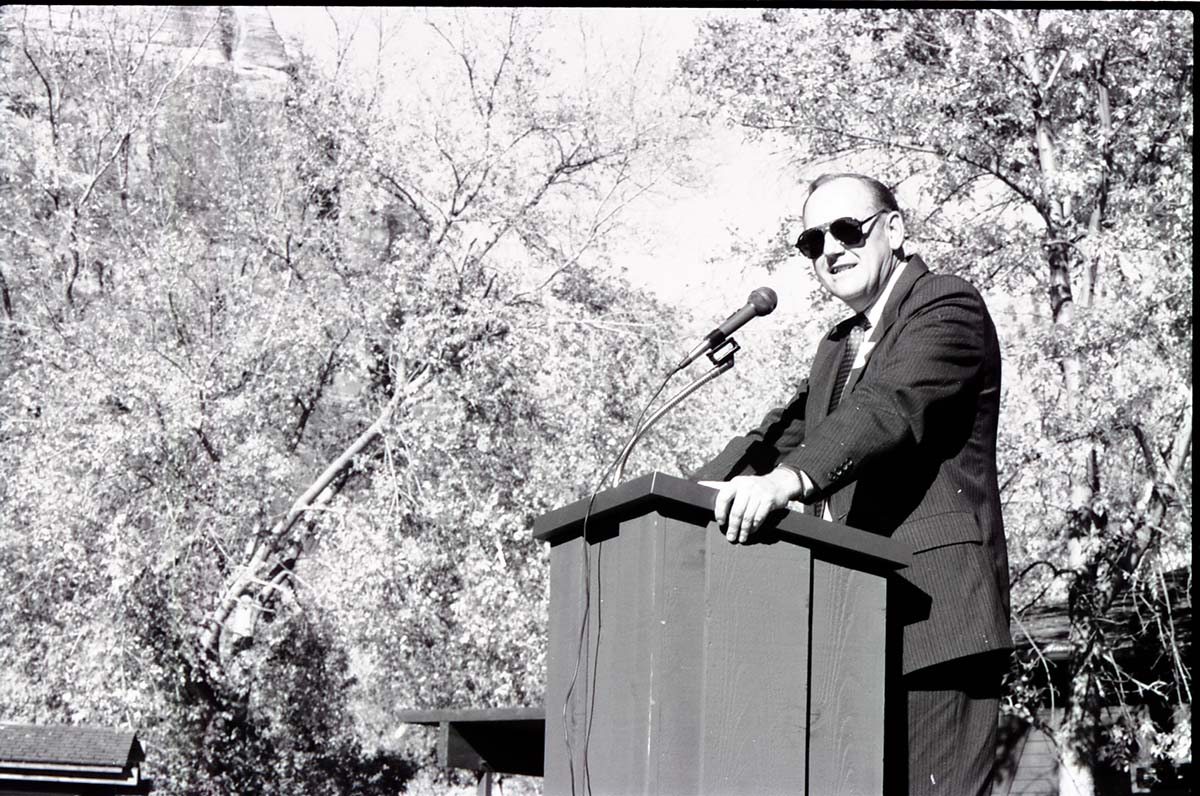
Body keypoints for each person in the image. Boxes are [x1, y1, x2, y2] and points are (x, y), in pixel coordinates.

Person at [692, 173, 1012, 795]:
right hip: (857, 626)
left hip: (936, 619)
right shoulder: (838, 346)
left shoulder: (946, 305)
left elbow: (890, 407)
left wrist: (788, 483)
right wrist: (685, 494)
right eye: (813, 240)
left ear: (894, 229)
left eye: (847, 230)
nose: (831, 249)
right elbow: (780, 437)